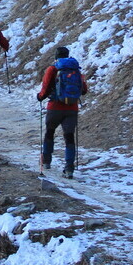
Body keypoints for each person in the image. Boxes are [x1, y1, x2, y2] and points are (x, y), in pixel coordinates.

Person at [36, 46, 88, 179]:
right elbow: (84, 90)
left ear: (56, 56)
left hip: (55, 107)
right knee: (69, 137)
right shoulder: (75, 69)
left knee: (49, 132)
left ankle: (46, 161)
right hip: (72, 108)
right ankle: (69, 168)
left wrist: (40, 97)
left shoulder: (53, 69)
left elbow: (46, 87)